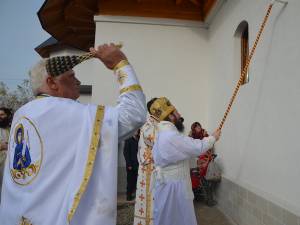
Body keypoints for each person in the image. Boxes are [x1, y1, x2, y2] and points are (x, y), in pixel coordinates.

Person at [0, 43, 147, 225]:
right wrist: (120, 64)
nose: (78, 82)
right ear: (52, 82)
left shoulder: (22, 113)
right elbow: (134, 114)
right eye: (71, 76)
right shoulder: (64, 111)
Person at [150, 97, 221, 225]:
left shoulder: (162, 134)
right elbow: (196, 147)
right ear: (171, 117)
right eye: (176, 112)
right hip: (174, 188)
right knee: (177, 219)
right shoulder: (171, 136)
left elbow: (181, 155)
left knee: (168, 218)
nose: (180, 115)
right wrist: (213, 138)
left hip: (168, 185)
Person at [134, 99, 159, 225]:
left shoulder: (157, 124)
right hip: (149, 167)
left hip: (153, 166)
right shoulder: (149, 125)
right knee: (149, 199)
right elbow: (154, 140)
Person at [123, 130, 140, 201]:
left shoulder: (139, 139)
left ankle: (135, 194)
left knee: (136, 180)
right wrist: (129, 164)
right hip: (131, 165)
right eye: (136, 131)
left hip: (137, 164)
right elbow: (126, 153)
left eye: (137, 131)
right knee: (130, 181)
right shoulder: (128, 140)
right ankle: (128, 196)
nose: (137, 132)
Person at [0, 107, 12, 199]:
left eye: (2, 115)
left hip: (11, 167)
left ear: (7, 116)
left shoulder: (12, 128)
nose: (0, 117)